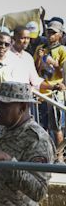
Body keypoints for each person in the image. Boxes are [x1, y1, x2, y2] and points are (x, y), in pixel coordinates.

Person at [34, 19, 66, 162]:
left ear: (60, 35)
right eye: (48, 31)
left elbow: (64, 71)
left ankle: (59, 157)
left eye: (53, 32)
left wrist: (55, 65)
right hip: (41, 92)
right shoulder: (41, 48)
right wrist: (40, 59)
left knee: (56, 126)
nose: (50, 35)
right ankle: (45, 156)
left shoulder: (62, 50)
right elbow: (34, 70)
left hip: (55, 93)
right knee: (42, 127)